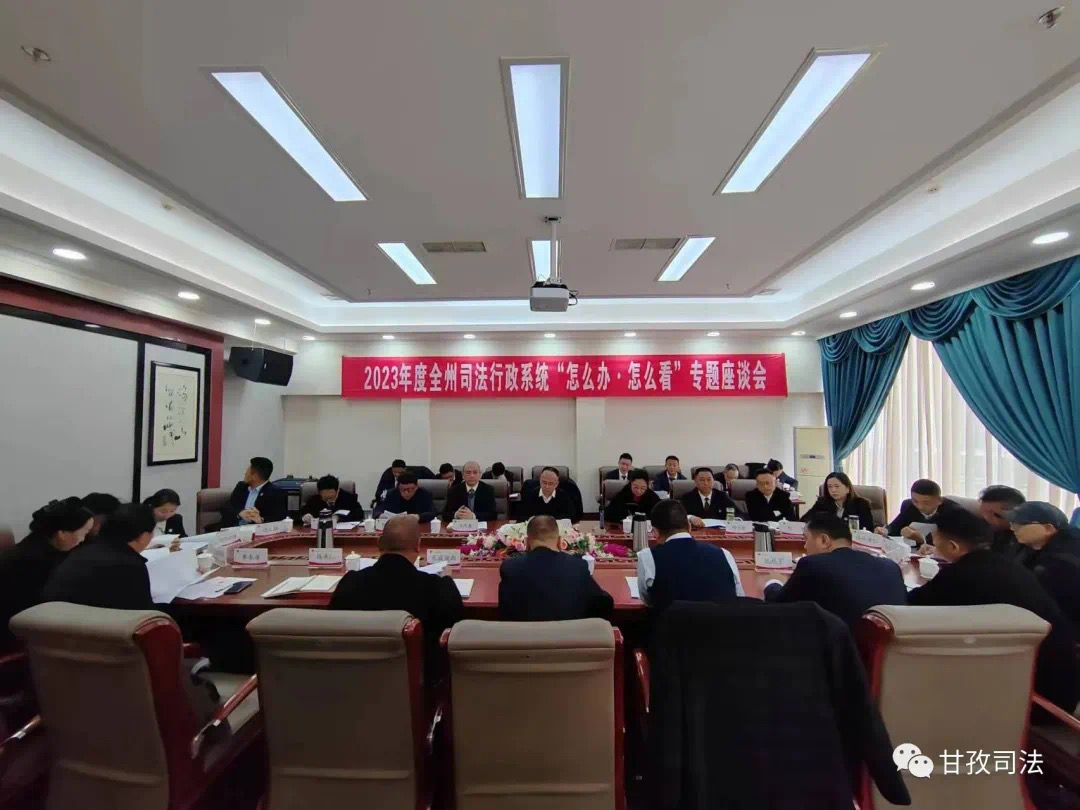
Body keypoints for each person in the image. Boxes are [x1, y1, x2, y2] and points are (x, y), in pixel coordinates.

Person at [907, 508, 1078, 715]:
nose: (933, 545)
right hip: (1060, 688)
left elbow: (910, 609)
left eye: (935, 541)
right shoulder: (1008, 566)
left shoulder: (960, 575)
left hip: (1031, 700)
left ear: (952, 546)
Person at [330, 515, 463, 679]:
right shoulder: (437, 588)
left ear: (379, 543)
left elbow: (332, 632)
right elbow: (458, 632)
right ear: (418, 546)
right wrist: (448, 579)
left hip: (355, 681)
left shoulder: (350, 583)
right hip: (418, 685)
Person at [763, 515, 907, 628]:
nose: (805, 546)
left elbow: (779, 605)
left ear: (824, 541)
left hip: (840, 652)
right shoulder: (891, 567)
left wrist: (773, 582)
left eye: (806, 539)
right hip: (892, 651)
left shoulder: (812, 564)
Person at [0, 498, 94, 648]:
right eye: (84, 532)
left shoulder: (39, 546)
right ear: (62, 533)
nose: (83, 539)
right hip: (15, 632)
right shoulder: (31, 561)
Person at [44, 503, 158, 610]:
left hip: (53, 617)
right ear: (143, 536)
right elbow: (143, 613)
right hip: (84, 622)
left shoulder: (84, 550)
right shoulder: (129, 564)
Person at [498, 515, 613, 621]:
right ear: (559, 541)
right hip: (567, 635)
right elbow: (604, 603)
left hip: (523, 636)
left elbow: (504, 611)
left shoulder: (510, 567)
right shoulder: (577, 566)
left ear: (526, 542)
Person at [636, 500, 744, 610]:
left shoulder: (647, 557)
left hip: (672, 621)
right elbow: (740, 598)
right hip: (721, 620)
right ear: (689, 526)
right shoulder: (724, 554)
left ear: (655, 532)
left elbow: (648, 601)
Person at [1005, 502, 1080, 635]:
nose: (1012, 528)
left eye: (1020, 523)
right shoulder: (1031, 546)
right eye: (1012, 523)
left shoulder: (1062, 561)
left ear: (1048, 528)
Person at [878, 479, 964, 547]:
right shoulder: (909, 505)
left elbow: (952, 542)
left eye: (926, 502)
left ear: (939, 500)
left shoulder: (952, 512)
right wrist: (885, 530)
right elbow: (896, 526)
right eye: (915, 501)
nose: (920, 506)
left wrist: (922, 539)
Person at [218, 457, 288, 528]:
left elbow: (280, 517)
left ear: (254, 476)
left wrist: (261, 519)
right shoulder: (241, 487)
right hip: (233, 528)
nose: (245, 473)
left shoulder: (275, 492)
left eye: (247, 471)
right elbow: (227, 507)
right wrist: (240, 513)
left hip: (257, 531)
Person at [806, 472, 876, 531]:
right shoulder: (822, 503)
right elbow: (805, 520)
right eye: (830, 487)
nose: (833, 490)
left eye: (837, 486)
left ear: (847, 489)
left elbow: (869, 529)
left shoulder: (861, 504)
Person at [979, 485, 1026, 557]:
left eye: (995, 514)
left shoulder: (1025, 539)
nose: (986, 518)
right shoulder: (983, 528)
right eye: (983, 512)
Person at [373, 472, 438, 522]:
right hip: (396, 527)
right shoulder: (391, 493)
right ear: (398, 487)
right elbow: (378, 509)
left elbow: (433, 513)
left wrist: (418, 517)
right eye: (403, 489)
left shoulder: (425, 494)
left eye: (409, 489)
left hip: (418, 526)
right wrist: (380, 515)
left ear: (416, 487)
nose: (406, 492)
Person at [300, 475, 365, 524]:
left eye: (331, 497)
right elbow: (297, 515)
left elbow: (359, 515)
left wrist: (339, 518)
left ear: (337, 491)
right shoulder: (315, 500)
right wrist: (303, 517)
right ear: (319, 492)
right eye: (325, 498)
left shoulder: (348, 498)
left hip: (342, 533)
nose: (329, 501)